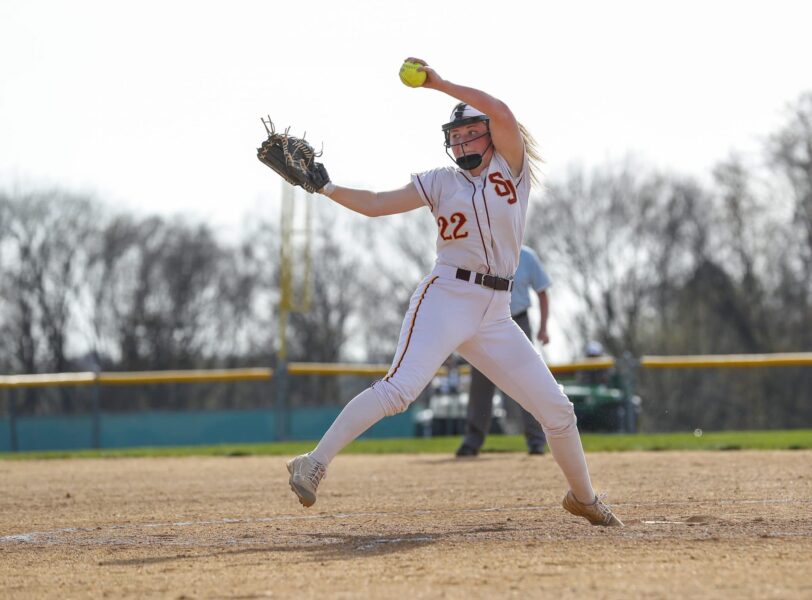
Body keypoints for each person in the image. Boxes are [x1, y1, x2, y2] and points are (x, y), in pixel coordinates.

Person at [284, 57, 623, 526]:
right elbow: (378, 204)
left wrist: (440, 84)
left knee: (558, 411)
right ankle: (313, 463)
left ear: (491, 136)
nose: (461, 141)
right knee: (399, 390)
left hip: (497, 311)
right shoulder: (441, 182)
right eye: (455, 136)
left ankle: (583, 498)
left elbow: (501, 111)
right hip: (447, 297)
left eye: (470, 133)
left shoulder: (512, 170)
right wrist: (327, 187)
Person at [456, 245, 551, 457]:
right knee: (480, 382)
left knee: (528, 381)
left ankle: (536, 440)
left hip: (518, 321)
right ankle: (472, 440)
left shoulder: (527, 256)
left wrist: (544, 327)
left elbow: (542, 291)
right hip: (485, 322)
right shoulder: (481, 252)